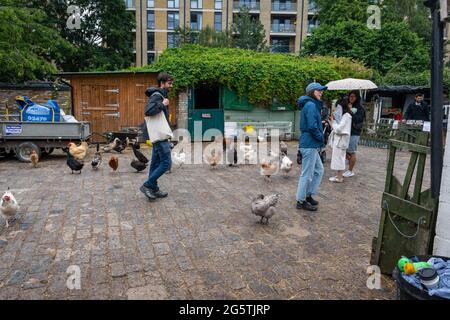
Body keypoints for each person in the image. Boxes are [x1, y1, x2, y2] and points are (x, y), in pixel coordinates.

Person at [140, 72, 174, 201]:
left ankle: (153, 188)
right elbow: (148, 111)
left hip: (159, 134)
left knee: (155, 163)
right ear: (162, 83)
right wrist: (162, 105)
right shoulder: (157, 96)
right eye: (169, 83)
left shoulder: (161, 95)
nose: (171, 86)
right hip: (160, 136)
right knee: (166, 163)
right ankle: (148, 185)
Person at [296, 82, 327, 212]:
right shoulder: (310, 105)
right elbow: (311, 126)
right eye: (319, 90)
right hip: (310, 143)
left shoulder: (311, 105)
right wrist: (321, 137)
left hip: (311, 143)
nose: (321, 92)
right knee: (307, 174)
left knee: (319, 170)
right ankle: (300, 200)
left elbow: (312, 123)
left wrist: (320, 123)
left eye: (321, 90)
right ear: (312, 92)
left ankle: (308, 195)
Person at [328, 98, 352, 183]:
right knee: (339, 157)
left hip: (341, 140)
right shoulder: (344, 116)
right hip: (340, 140)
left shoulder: (346, 116)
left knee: (339, 158)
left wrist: (333, 122)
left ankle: (339, 177)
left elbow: (338, 129)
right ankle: (339, 175)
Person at [343, 90, 365, 178]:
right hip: (346, 131)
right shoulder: (348, 106)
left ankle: (350, 171)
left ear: (357, 98)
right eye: (350, 96)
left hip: (354, 132)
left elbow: (357, 119)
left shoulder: (360, 108)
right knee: (344, 149)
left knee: (352, 152)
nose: (351, 98)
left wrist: (351, 110)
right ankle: (349, 161)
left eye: (353, 96)